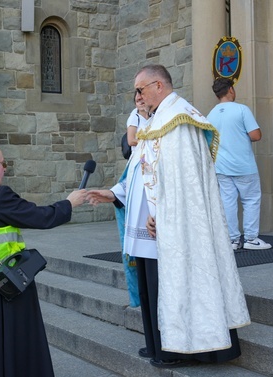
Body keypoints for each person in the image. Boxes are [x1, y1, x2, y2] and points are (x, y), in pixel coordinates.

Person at [87, 65, 250, 368]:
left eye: (140, 89)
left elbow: (185, 181)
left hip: (172, 227)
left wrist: (162, 214)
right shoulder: (155, 121)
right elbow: (140, 170)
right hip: (149, 227)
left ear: (158, 85)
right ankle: (158, 346)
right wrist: (114, 194)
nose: (138, 96)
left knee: (171, 286)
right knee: (152, 290)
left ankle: (184, 349)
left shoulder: (179, 121)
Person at [0, 142, 86, 377]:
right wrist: (70, 202)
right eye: (3, 164)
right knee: (12, 354)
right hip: (0, 289)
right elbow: (40, 217)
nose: (4, 170)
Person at [207, 78, 271, 250]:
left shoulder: (210, 115)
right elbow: (255, 135)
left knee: (228, 202)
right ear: (231, 90)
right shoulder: (242, 110)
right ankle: (251, 238)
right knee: (251, 199)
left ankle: (233, 240)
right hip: (243, 165)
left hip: (221, 166)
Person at [118, 95, 150, 308]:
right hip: (139, 164)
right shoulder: (135, 116)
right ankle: (138, 298)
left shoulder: (158, 115)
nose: (140, 100)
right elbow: (131, 140)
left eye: (142, 96)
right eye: (137, 97)